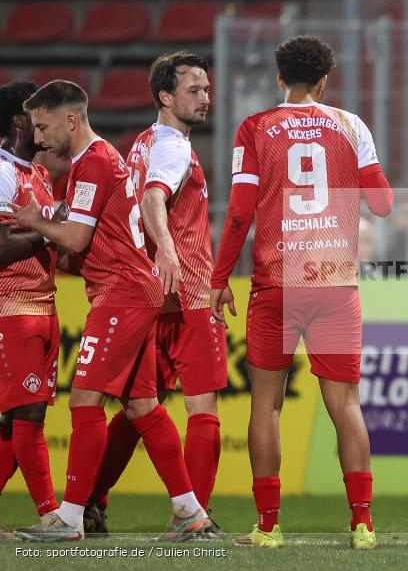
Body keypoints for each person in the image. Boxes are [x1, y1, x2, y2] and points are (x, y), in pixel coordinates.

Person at [210, 35, 394, 549]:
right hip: (334, 281)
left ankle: (267, 528)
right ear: (325, 80)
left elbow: (242, 212)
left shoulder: (254, 128)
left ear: (279, 79)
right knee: (346, 404)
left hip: (276, 283)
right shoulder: (350, 125)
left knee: (265, 406)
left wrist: (219, 277)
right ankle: (362, 524)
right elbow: (381, 204)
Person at [7, 80, 209, 542]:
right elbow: (84, 240)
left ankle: (71, 516)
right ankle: (189, 510)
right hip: (129, 290)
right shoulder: (90, 162)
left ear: (70, 120)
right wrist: (53, 221)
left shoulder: (94, 162)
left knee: (85, 400)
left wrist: (38, 220)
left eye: (43, 126)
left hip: (121, 292)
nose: (38, 139)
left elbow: (77, 241)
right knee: (142, 405)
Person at [84, 52, 226, 537]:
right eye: (194, 90)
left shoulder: (140, 144)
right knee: (202, 408)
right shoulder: (174, 148)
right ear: (166, 96)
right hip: (183, 293)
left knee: (138, 404)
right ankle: (196, 516)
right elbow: (152, 198)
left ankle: (90, 500)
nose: (206, 98)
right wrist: (167, 249)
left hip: (145, 293)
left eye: (207, 89)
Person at [0, 81, 59, 539]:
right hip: (10, 308)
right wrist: (48, 230)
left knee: (11, 419)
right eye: (38, 115)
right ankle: (51, 516)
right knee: (29, 413)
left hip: (41, 306)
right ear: (19, 121)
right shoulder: (1, 172)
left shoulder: (38, 176)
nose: (46, 124)